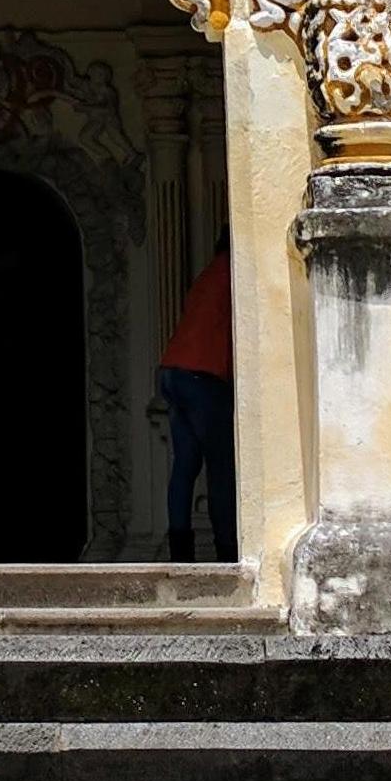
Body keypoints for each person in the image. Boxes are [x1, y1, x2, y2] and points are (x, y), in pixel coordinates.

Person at [159, 231, 236, 562]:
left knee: (185, 465)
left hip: (171, 370)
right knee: (221, 468)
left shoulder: (208, 274)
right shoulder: (235, 272)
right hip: (203, 375)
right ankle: (228, 550)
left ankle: (180, 553)